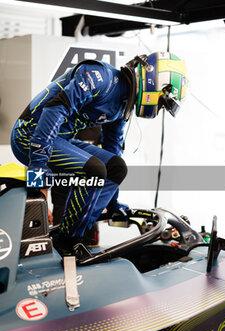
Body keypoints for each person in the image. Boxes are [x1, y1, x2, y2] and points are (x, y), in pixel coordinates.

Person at [11, 52, 188, 255]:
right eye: (162, 102)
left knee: (116, 167)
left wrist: (113, 203)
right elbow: (53, 110)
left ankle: (72, 236)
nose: (158, 109)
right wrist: (37, 171)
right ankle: (67, 241)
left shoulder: (123, 105)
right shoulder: (100, 77)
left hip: (62, 139)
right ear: (155, 84)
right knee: (94, 171)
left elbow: (113, 149)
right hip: (28, 136)